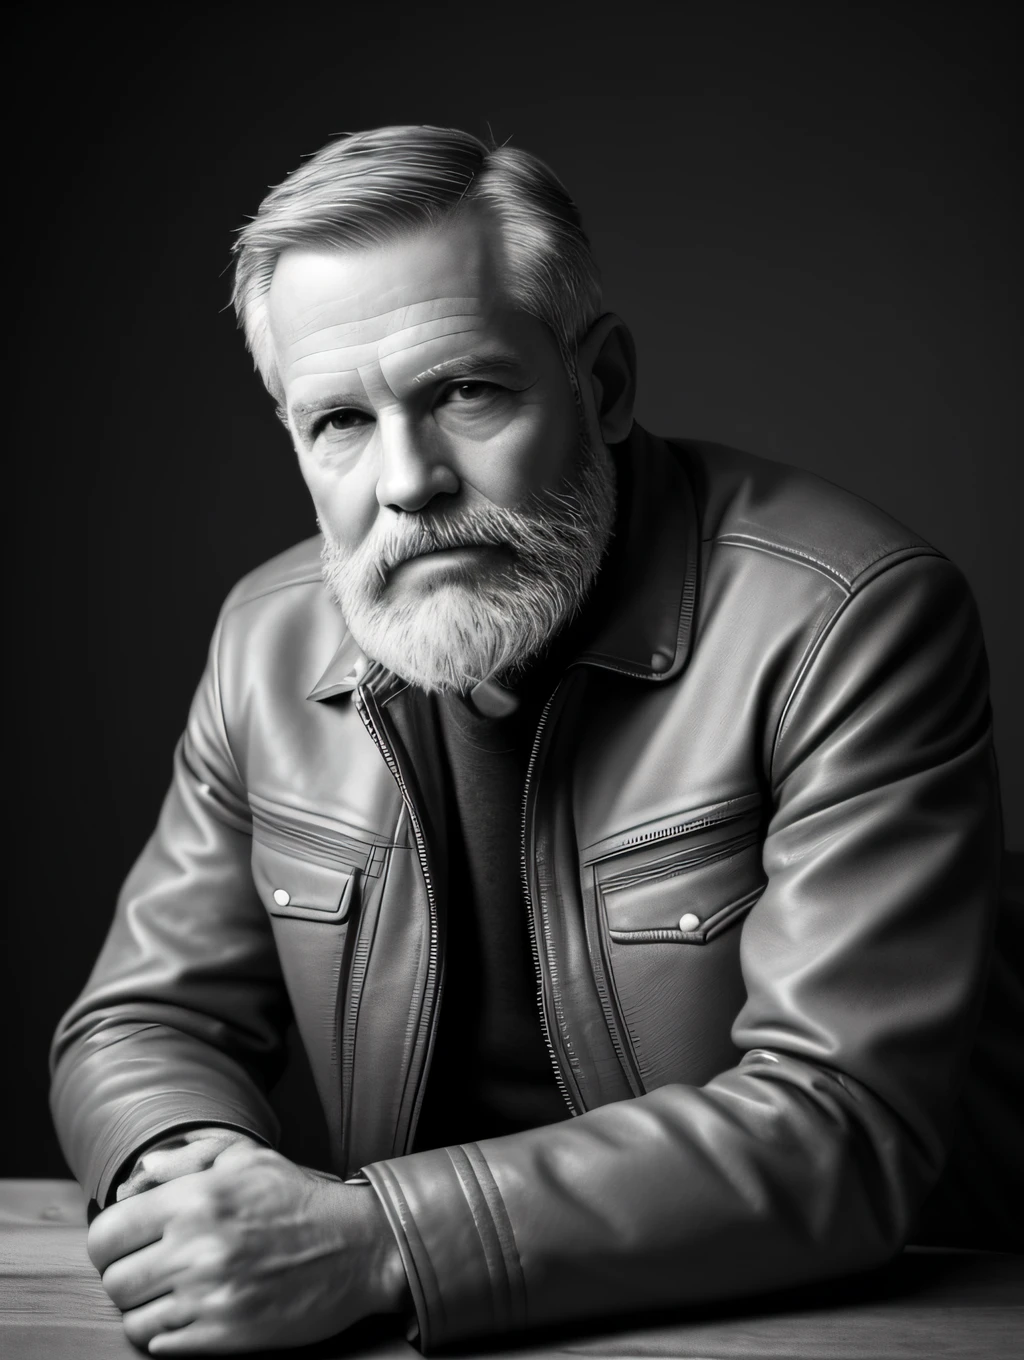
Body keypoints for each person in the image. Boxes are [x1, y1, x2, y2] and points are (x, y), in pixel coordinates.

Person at [50, 125, 1018, 1356]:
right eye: (338, 420)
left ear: (601, 384)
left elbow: (842, 1126)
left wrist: (371, 1238)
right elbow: (138, 1023)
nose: (406, 484)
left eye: (464, 390)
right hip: (423, 1329)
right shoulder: (268, 637)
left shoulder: (845, 619)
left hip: (816, 1322)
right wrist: (195, 1173)